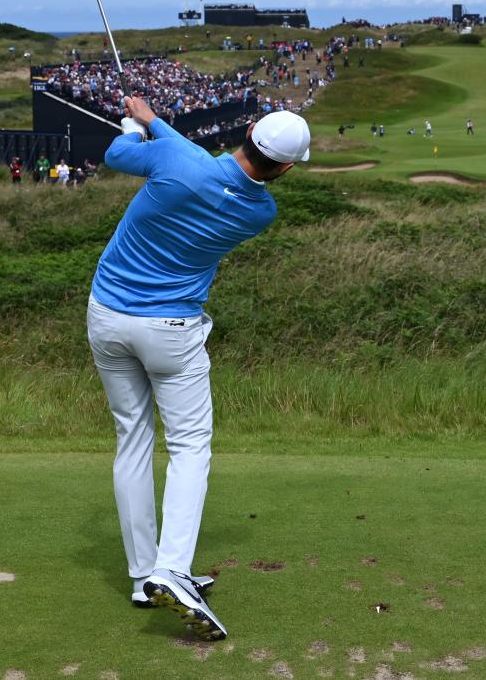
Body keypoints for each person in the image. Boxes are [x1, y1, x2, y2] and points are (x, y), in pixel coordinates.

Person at [87, 95, 310, 642]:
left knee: (132, 439)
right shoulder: (260, 211)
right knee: (189, 446)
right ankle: (171, 570)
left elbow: (118, 154)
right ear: (283, 168)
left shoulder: (176, 161)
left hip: (107, 316)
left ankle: (145, 576)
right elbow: (198, 165)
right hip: (171, 333)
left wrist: (135, 125)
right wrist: (155, 121)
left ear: (250, 128)